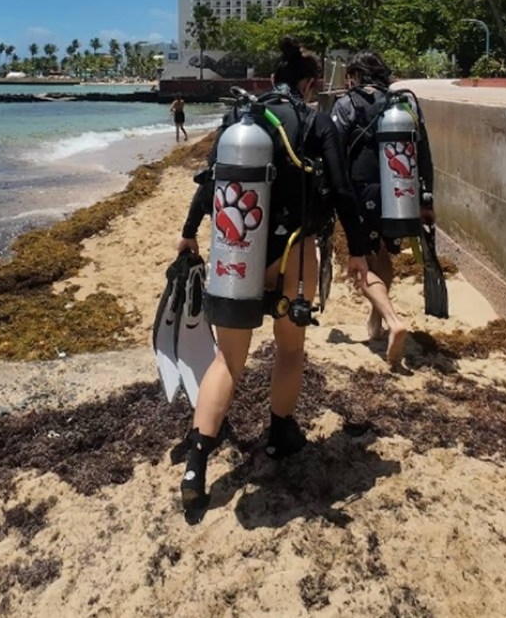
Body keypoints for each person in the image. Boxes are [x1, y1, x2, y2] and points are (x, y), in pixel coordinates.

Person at [175, 36, 369, 514]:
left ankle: (196, 464)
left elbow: (211, 184)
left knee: (228, 361)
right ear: (308, 83)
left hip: (238, 253)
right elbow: (342, 190)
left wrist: (188, 233)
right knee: (288, 350)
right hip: (294, 256)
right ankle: (281, 433)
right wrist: (358, 251)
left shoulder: (241, 123)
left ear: (272, 80)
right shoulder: (314, 119)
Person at [330, 50, 436, 368]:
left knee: (362, 263)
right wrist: (426, 201)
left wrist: (332, 196)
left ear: (358, 75)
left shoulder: (347, 103)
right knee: (382, 256)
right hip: (400, 191)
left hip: (363, 192)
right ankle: (375, 323)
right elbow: (424, 153)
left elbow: (334, 152)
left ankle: (392, 321)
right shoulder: (405, 104)